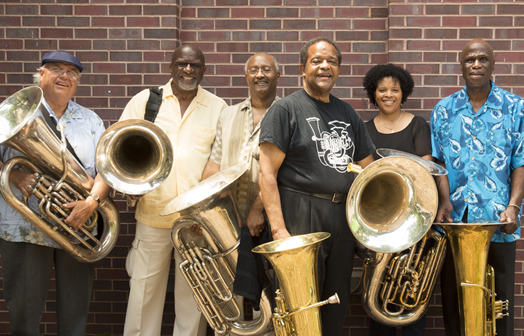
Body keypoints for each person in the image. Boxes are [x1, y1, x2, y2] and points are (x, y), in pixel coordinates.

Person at [65, 45, 227, 336]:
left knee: (195, 299)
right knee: (142, 296)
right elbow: (117, 151)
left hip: (197, 223)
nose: (188, 70)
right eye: (182, 64)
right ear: (171, 67)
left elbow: (222, 166)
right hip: (152, 217)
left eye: (194, 65)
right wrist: (129, 184)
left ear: (204, 70)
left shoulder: (219, 108)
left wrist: (208, 213)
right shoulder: (145, 101)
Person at [258, 37, 375, 335]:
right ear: (302, 68)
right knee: (302, 305)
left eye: (332, 62)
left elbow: (369, 170)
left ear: (338, 69)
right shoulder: (285, 109)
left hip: (342, 216)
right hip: (301, 211)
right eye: (317, 61)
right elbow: (267, 174)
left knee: (336, 303)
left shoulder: (348, 113)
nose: (325, 67)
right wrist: (279, 232)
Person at [0, 50, 106, 335]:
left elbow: (105, 172)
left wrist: (91, 202)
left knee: (75, 317)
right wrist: (17, 176)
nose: (65, 76)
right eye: (57, 69)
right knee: (24, 315)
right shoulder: (14, 113)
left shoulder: (91, 120)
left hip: (77, 226)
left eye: (72, 73)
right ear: (41, 74)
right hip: (23, 227)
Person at [431, 39, 524, 336]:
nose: (476, 64)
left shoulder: (516, 107)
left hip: (498, 220)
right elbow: (438, 162)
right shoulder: (444, 109)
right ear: (461, 66)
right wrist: (444, 200)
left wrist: (514, 206)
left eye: (483, 59)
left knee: (500, 303)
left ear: (493, 64)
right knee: (455, 302)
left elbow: (520, 162)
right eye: (470, 59)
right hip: (455, 222)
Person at [362, 63, 430, 335]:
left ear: (404, 93)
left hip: (413, 223)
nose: (388, 94)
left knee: (411, 293)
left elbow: (426, 174)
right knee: (378, 295)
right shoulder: (364, 129)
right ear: (373, 93)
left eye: (395, 90)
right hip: (378, 222)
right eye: (382, 90)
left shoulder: (418, 125)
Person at [202, 52, 280, 236]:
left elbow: (285, 172)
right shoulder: (227, 115)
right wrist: (206, 210)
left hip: (273, 217)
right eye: (254, 70)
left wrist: (257, 210)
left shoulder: (289, 115)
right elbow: (215, 166)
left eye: (266, 70)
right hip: (230, 216)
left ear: (277, 76)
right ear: (246, 77)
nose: (259, 74)